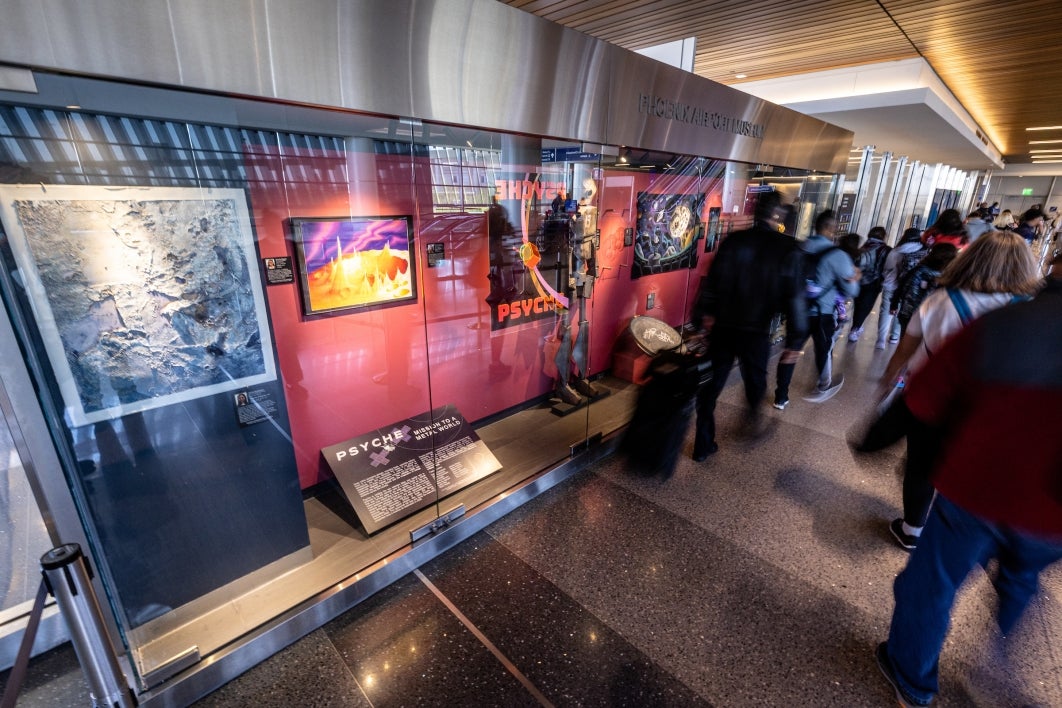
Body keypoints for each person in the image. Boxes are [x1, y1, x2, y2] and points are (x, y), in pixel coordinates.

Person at [875, 253, 1062, 707]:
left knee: (931, 583)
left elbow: (925, 399)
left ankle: (911, 677)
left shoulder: (1006, 324)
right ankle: (997, 659)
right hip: (1053, 514)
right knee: (1020, 576)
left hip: (978, 487)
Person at [880, 231, 1039, 551]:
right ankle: (961, 534)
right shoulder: (1029, 311)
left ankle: (912, 529)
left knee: (920, 465)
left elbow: (904, 351)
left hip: (933, 402)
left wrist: (886, 383)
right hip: (993, 411)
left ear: (971, 259)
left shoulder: (941, 299)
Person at [692, 191, 807, 459]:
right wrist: (796, 339)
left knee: (710, 387)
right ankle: (752, 420)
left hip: (724, 326)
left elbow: (712, 284)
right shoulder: (787, 248)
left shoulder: (734, 241)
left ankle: (703, 444)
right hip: (756, 329)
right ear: (776, 214)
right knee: (755, 381)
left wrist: (701, 319)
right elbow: (795, 298)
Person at [773, 210, 858, 407]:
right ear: (830, 228)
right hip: (823, 312)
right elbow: (851, 290)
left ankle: (781, 397)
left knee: (790, 351)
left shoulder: (799, 247)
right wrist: (854, 279)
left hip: (797, 310)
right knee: (823, 349)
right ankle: (823, 386)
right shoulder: (838, 255)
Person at [890, 243, 958, 340]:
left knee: (905, 343)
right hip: (930, 318)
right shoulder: (946, 278)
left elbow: (902, 286)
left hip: (908, 313)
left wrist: (894, 304)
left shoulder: (918, 270)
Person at [876, 227, 926, 349]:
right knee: (901, 310)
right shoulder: (922, 251)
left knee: (886, 311)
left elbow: (887, 268)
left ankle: (881, 340)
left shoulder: (895, 251)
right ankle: (894, 336)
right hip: (908, 287)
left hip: (891, 285)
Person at [848, 226, 891, 342]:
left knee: (858, 304)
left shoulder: (862, 247)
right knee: (866, 306)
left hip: (858, 280)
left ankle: (856, 326)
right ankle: (855, 328)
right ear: (883, 236)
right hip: (874, 282)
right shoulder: (886, 249)